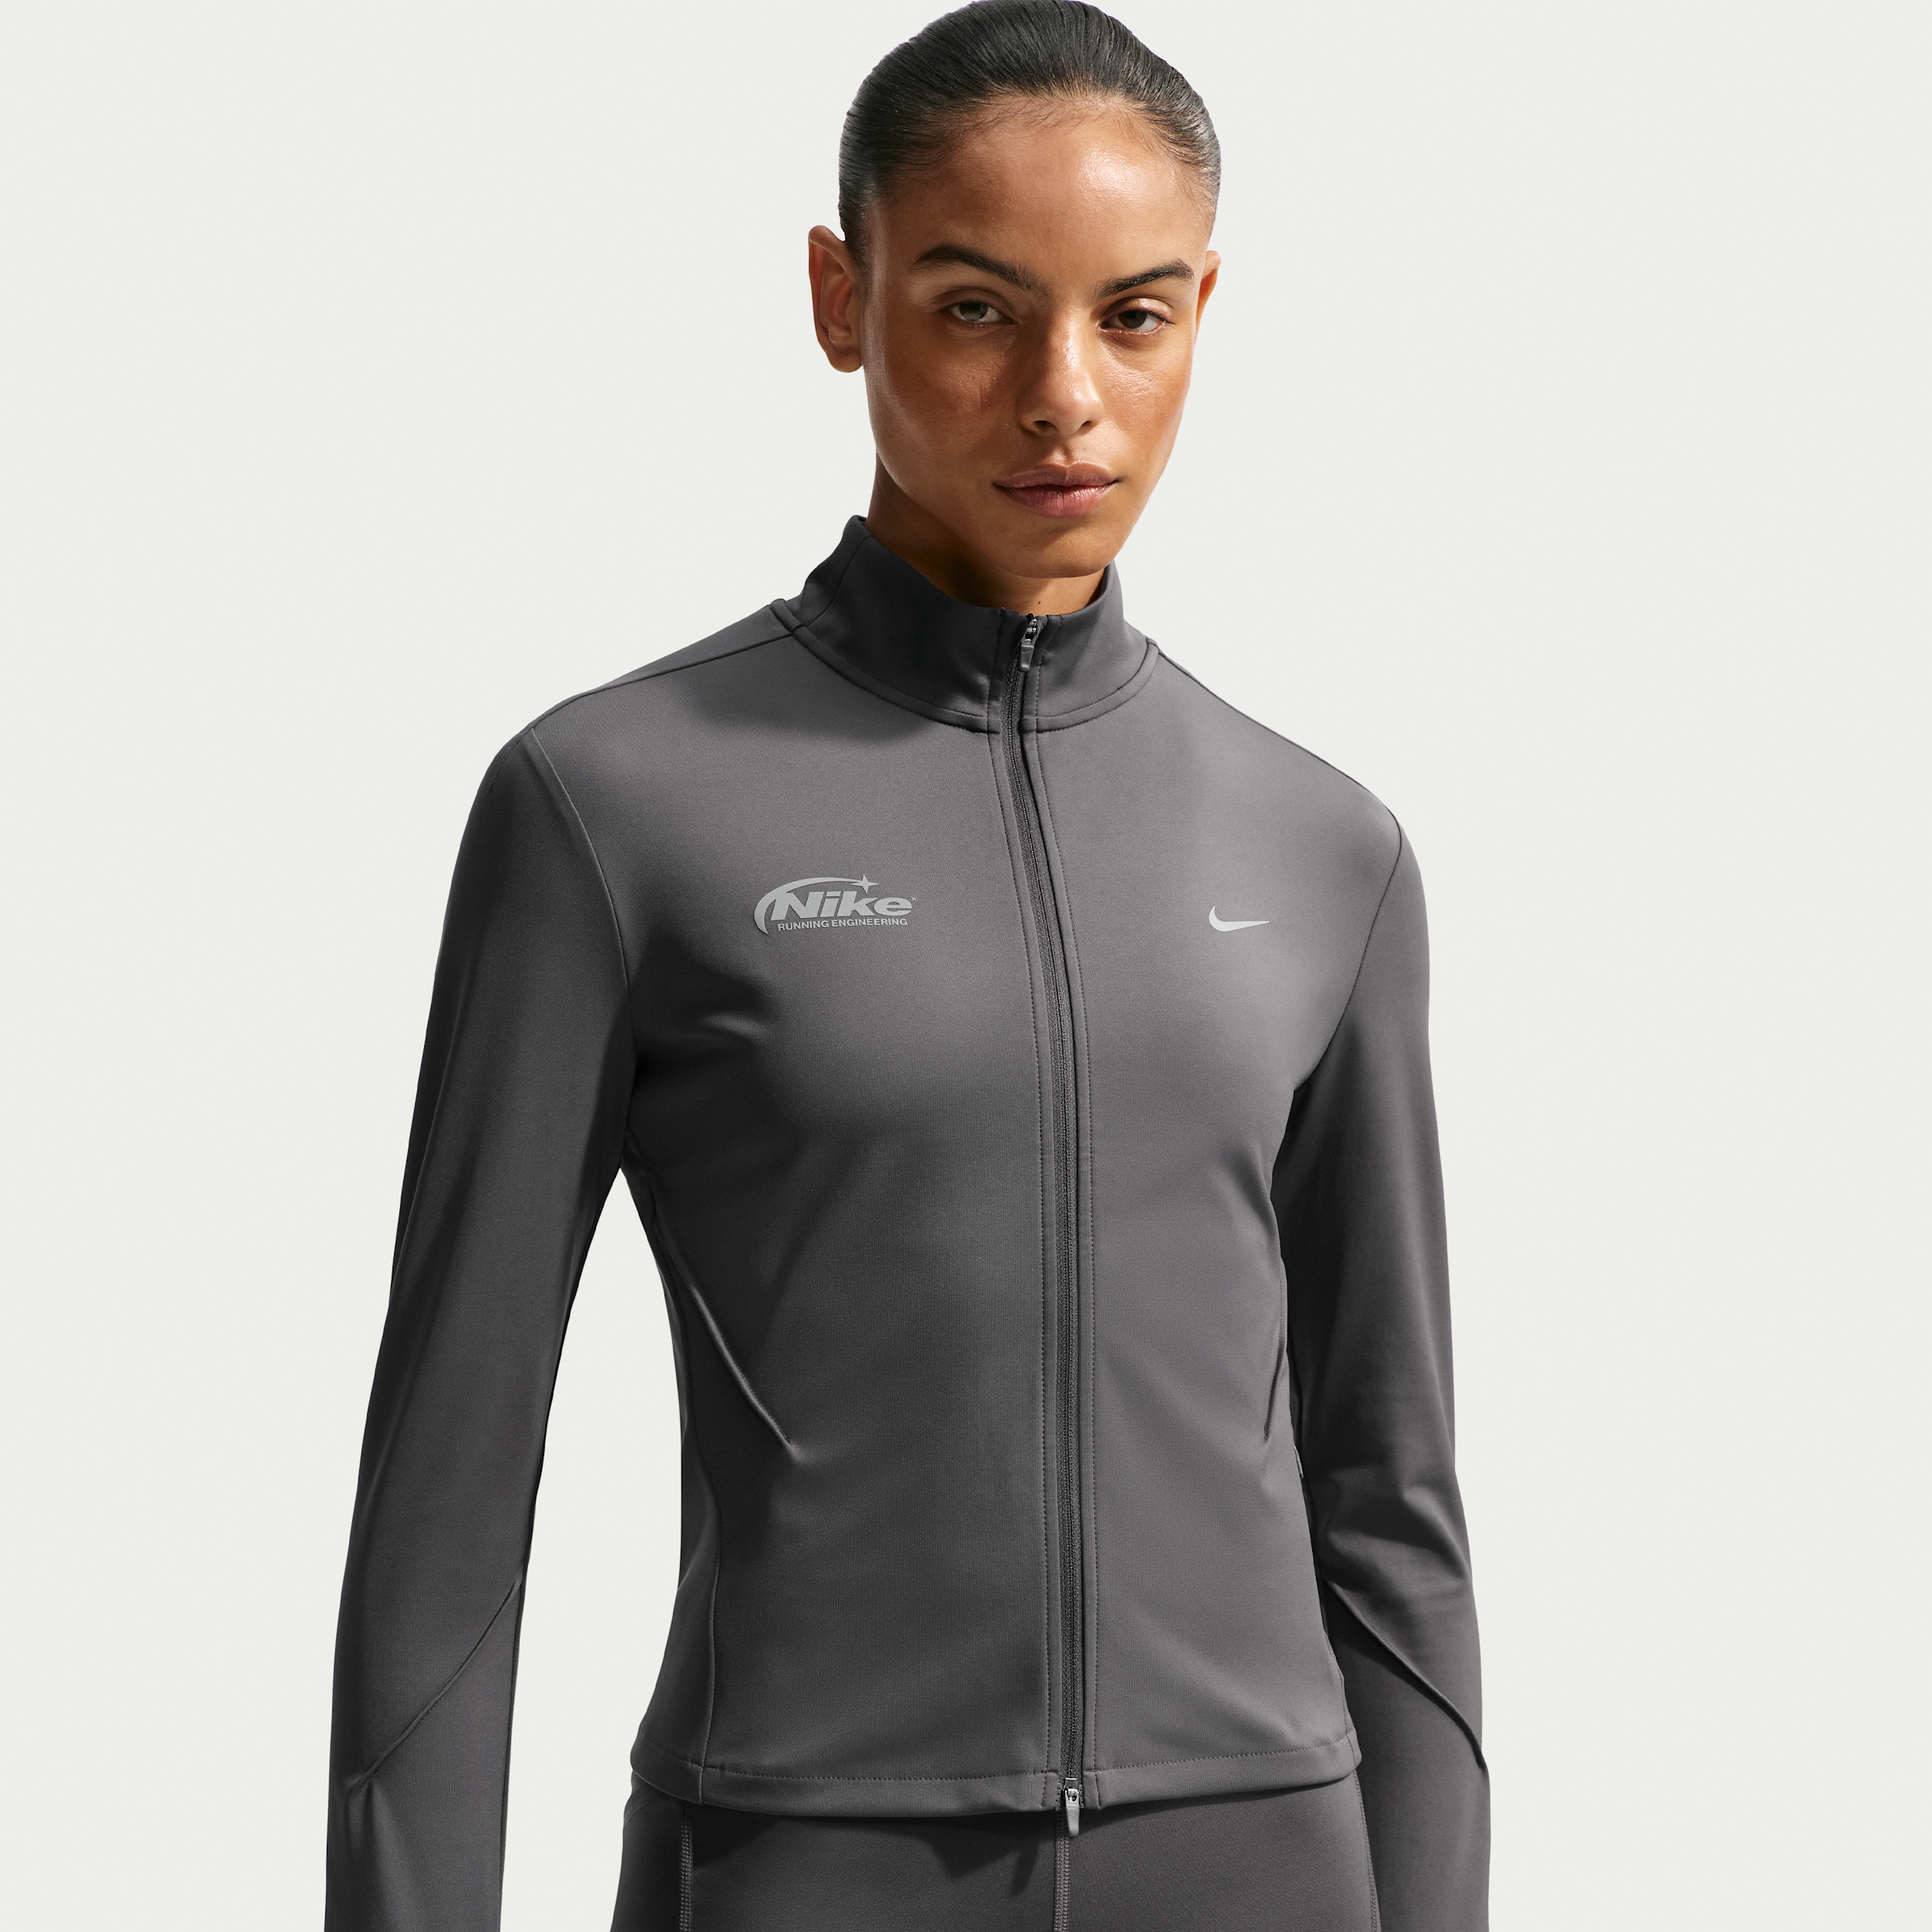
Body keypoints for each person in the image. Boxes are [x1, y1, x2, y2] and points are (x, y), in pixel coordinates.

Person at [325, 5, 1488, 1928]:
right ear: (836, 296)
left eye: (1131, 315)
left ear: (1202, 310)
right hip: (797, 1856)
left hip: (1263, 1857)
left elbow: (1394, 1505)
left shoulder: (1320, 845)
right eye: (973, 310)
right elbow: (447, 1510)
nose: (1061, 396)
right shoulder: (613, 805)